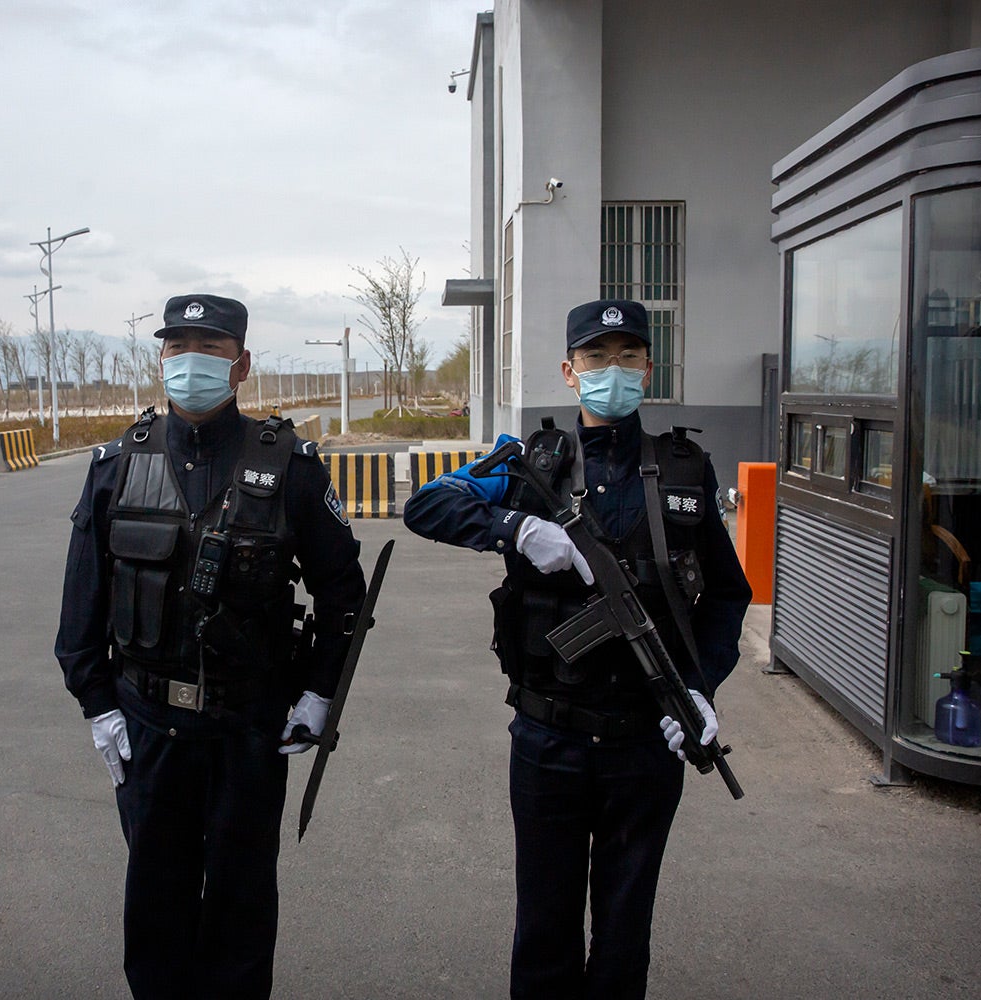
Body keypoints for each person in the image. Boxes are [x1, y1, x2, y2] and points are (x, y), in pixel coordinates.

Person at [404, 299, 751, 999]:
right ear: (569, 372)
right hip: (548, 737)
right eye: (596, 358)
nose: (612, 371)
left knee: (625, 930)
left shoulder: (686, 469)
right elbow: (427, 503)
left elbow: (726, 596)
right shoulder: (530, 461)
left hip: (646, 741)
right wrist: (515, 530)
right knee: (545, 927)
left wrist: (700, 690)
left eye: (628, 356)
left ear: (649, 368)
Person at [55, 293, 367, 999]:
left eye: (211, 349)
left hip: (246, 731)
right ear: (160, 359)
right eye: (176, 348)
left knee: (240, 913)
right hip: (147, 727)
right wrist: (96, 704)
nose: (190, 362)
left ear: (241, 365)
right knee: (155, 913)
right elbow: (81, 605)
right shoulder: (115, 465)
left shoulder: (290, 465)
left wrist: (320, 692)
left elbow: (344, 595)